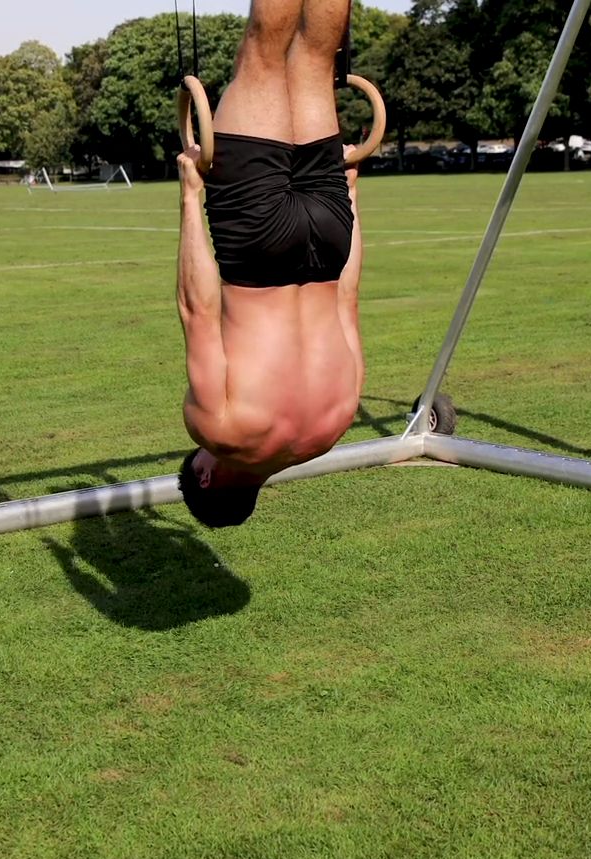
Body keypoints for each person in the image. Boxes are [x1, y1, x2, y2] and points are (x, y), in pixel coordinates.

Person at [177, 0, 364, 528]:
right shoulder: (218, 432)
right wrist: (192, 195)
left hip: (329, 245)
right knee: (261, 55)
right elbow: (197, 310)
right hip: (259, 248)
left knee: (313, 59)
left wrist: (349, 199)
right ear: (207, 478)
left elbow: (346, 301)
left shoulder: (332, 428)